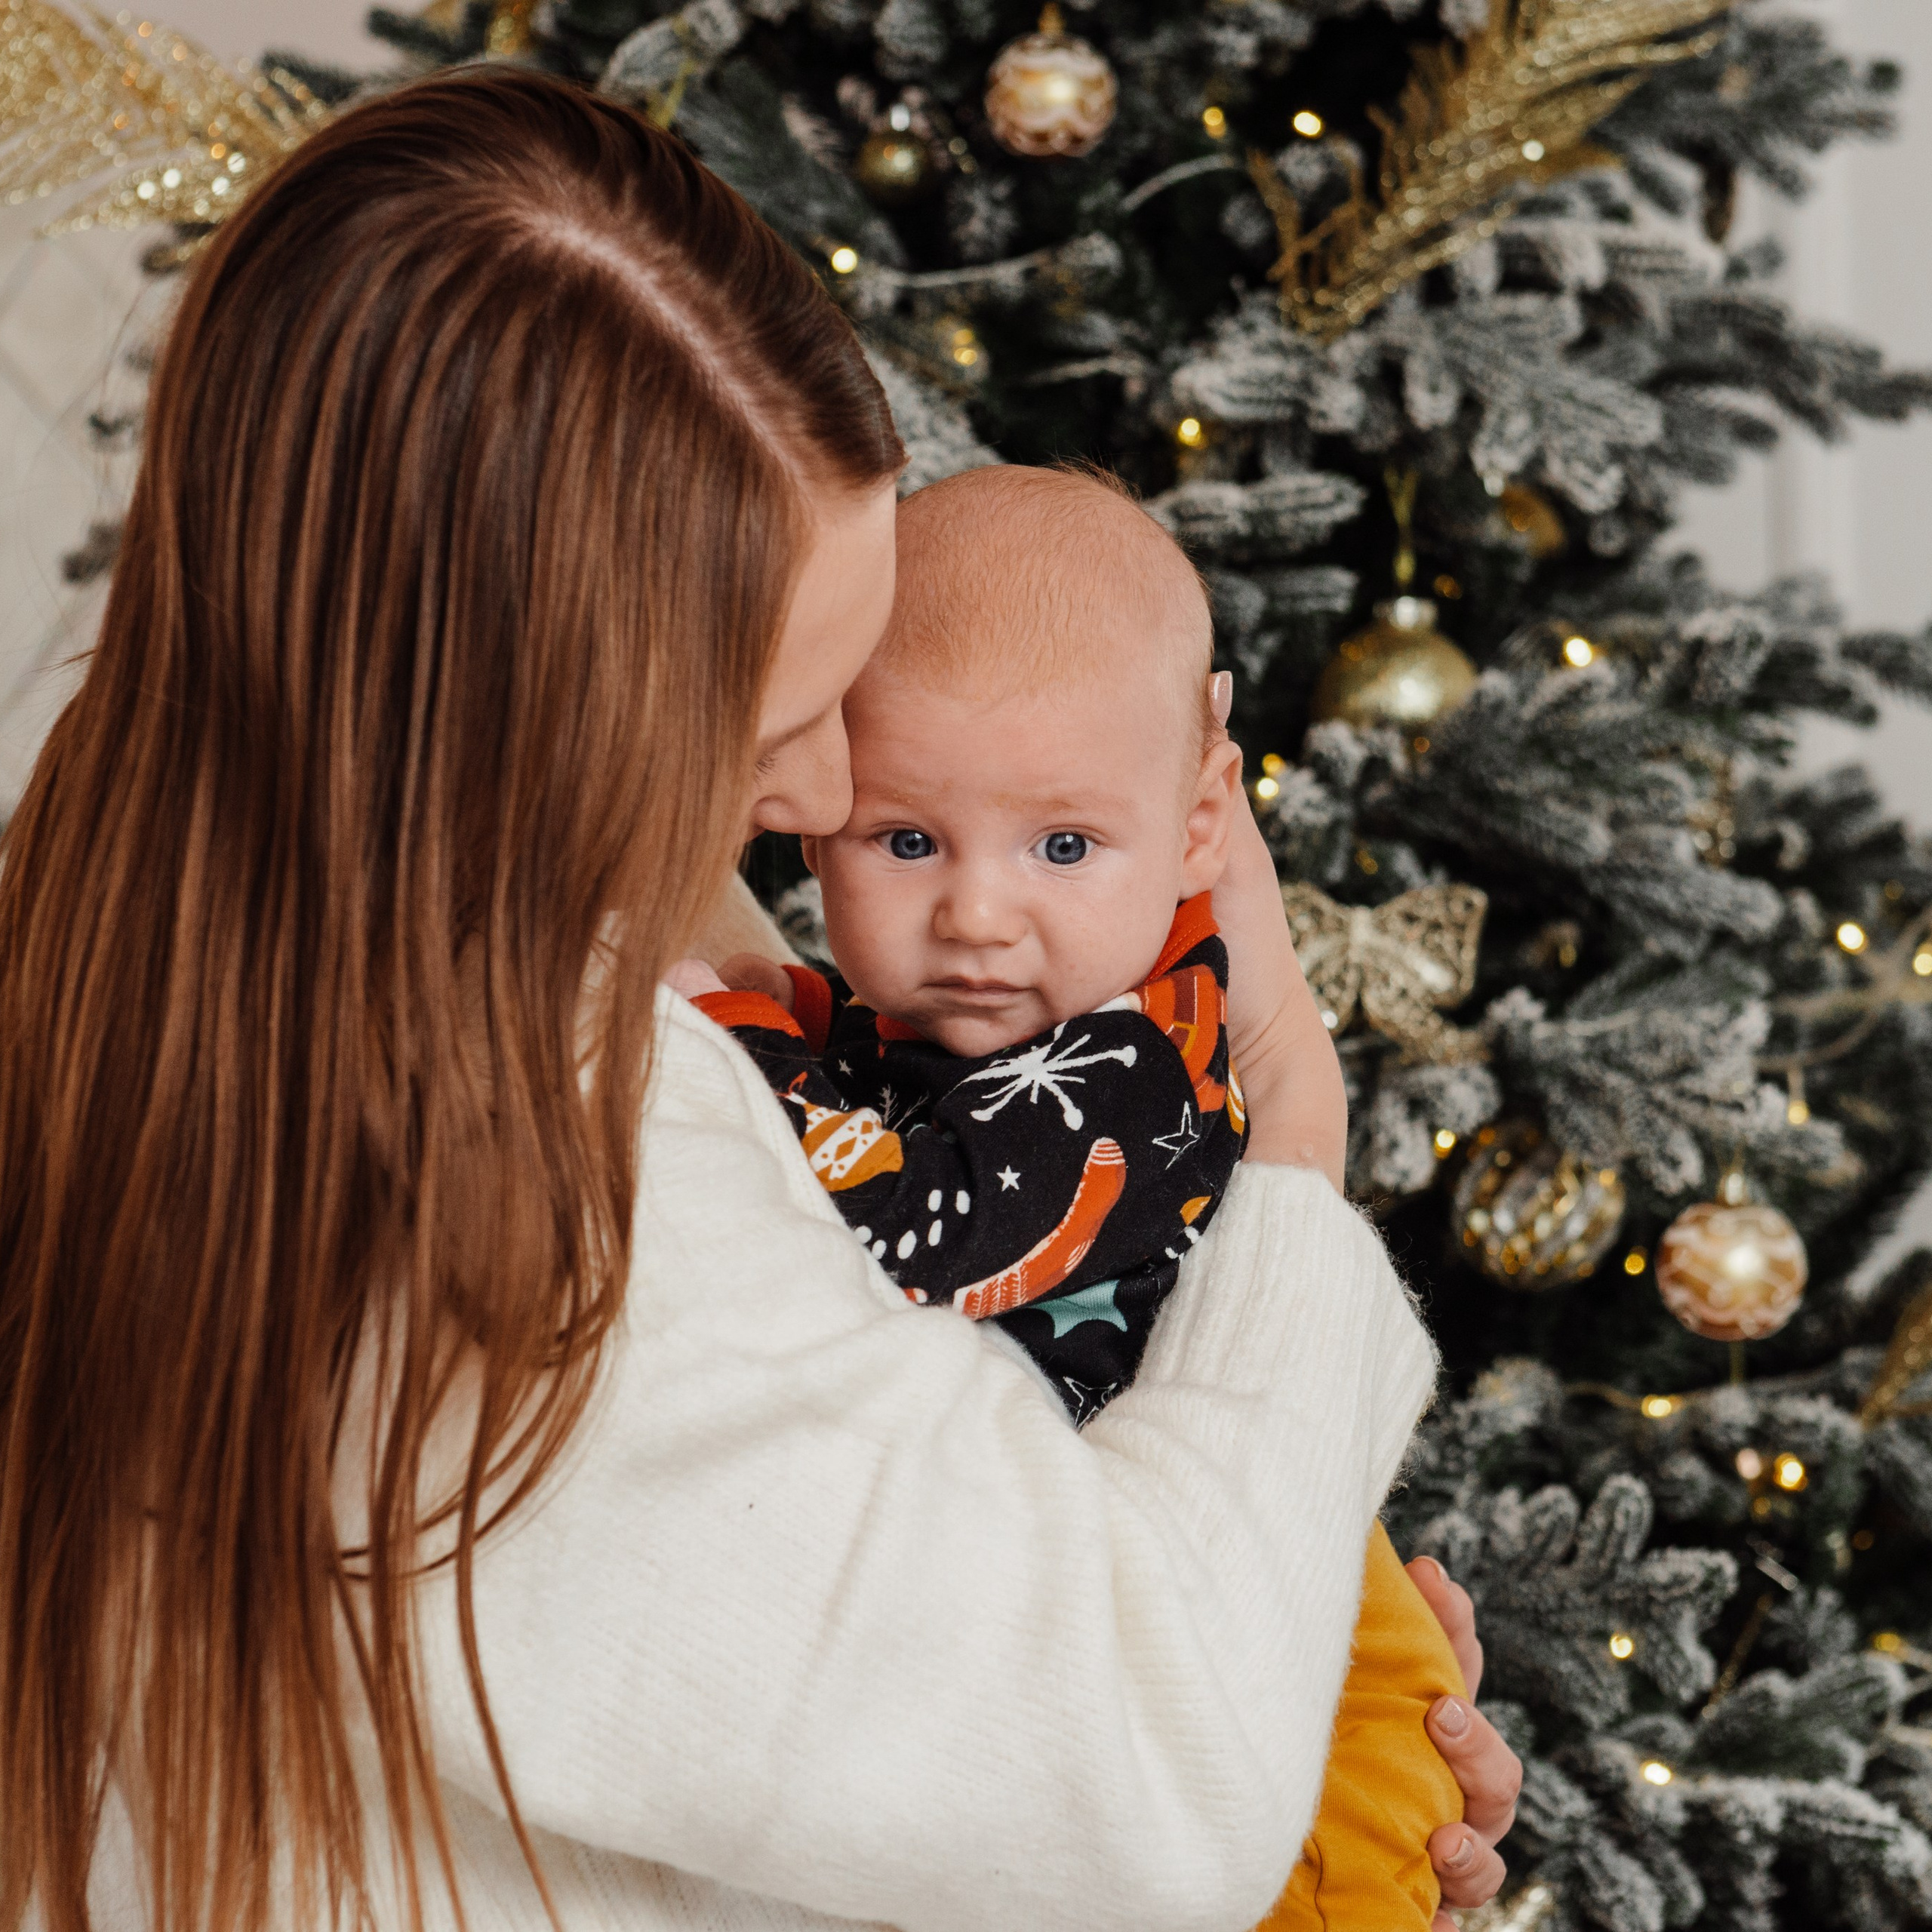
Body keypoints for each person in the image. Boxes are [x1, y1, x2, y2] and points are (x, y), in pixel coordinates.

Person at [0, 66, 1518, 1932]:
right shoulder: (543, 1173)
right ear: (515, 703)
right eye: (762, 713)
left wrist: (1262, 1588)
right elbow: (1156, 1772)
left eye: (845, 681)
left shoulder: (163, 926)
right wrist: (1286, 1123)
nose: (814, 797)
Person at [685, 463, 1466, 1931]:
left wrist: (739, 1043)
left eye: (1060, 845)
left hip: (1316, 1665)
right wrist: (780, 1018)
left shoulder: (1122, 1057)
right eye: (906, 840)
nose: (979, 913)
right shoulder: (949, 1021)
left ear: (1195, 821)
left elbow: (918, 1245)